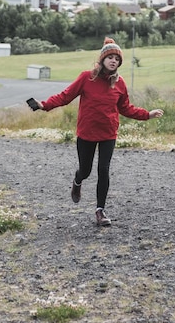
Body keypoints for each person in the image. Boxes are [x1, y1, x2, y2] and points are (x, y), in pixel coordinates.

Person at [30, 37, 164, 226]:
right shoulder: (87, 77)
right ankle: (77, 182)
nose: (113, 61)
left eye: (116, 59)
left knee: (104, 170)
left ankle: (100, 211)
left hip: (108, 133)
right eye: (110, 57)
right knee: (85, 170)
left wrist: (147, 115)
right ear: (102, 59)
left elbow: (125, 108)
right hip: (86, 133)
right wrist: (44, 105)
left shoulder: (120, 84)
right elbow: (66, 96)